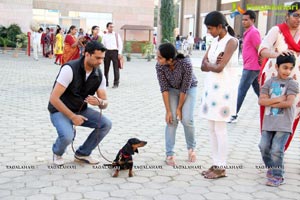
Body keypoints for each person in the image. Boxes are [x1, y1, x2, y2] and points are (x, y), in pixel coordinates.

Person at [48, 41, 112, 166]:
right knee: (67, 136)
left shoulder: (99, 75)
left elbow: (105, 103)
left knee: (106, 124)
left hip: (81, 110)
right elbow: (54, 98)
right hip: (59, 110)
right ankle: (57, 153)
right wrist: (72, 117)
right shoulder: (69, 69)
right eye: (97, 58)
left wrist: (100, 102)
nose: (100, 62)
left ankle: (83, 153)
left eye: (102, 58)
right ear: (87, 54)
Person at [200, 11, 239, 179]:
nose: (209, 32)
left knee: (220, 129)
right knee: (211, 128)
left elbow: (219, 68)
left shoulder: (231, 42)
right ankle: (215, 163)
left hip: (224, 90)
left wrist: (211, 64)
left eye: (211, 28)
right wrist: (211, 64)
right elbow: (203, 65)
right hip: (210, 89)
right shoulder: (214, 41)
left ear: (220, 26)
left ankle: (222, 166)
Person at [258, 1, 300, 150]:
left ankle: (279, 151)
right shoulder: (277, 30)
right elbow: (262, 50)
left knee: (290, 115)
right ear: (287, 15)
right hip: (275, 82)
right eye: (296, 15)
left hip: (295, 84)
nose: (298, 19)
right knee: (273, 114)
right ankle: (268, 149)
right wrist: (277, 54)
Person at [258, 54, 299, 187]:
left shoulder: (292, 84)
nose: (287, 71)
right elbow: (261, 101)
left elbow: (288, 103)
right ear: (276, 67)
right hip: (269, 122)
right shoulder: (269, 82)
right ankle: (272, 168)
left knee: (277, 149)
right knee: (263, 146)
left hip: (284, 124)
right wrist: (279, 99)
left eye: (290, 68)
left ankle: (278, 176)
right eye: (284, 67)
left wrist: (269, 102)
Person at [156, 43, 198, 166]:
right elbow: (163, 89)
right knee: (171, 120)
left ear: (170, 59)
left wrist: (179, 108)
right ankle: (169, 154)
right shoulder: (159, 66)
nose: (157, 59)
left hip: (189, 89)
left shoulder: (186, 64)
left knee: (187, 120)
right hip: (171, 90)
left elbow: (184, 88)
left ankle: (191, 149)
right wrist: (168, 111)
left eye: (159, 57)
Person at [229, 10, 261, 123]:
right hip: (250, 66)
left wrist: (260, 64)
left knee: (241, 90)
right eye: (242, 19)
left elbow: (260, 49)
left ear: (253, 20)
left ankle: (233, 114)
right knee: (260, 92)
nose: (243, 22)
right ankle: (270, 111)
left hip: (252, 68)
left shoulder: (254, 32)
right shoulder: (247, 32)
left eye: (246, 20)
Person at [102, 22, 123, 88]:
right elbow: (102, 45)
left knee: (116, 68)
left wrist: (119, 53)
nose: (112, 28)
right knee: (106, 68)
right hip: (107, 52)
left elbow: (120, 44)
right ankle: (105, 83)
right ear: (107, 27)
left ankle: (116, 83)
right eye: (110, 27)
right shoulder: (105, 35)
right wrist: (103, 54)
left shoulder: (116, 35)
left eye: (112, 27)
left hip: (115, 52)